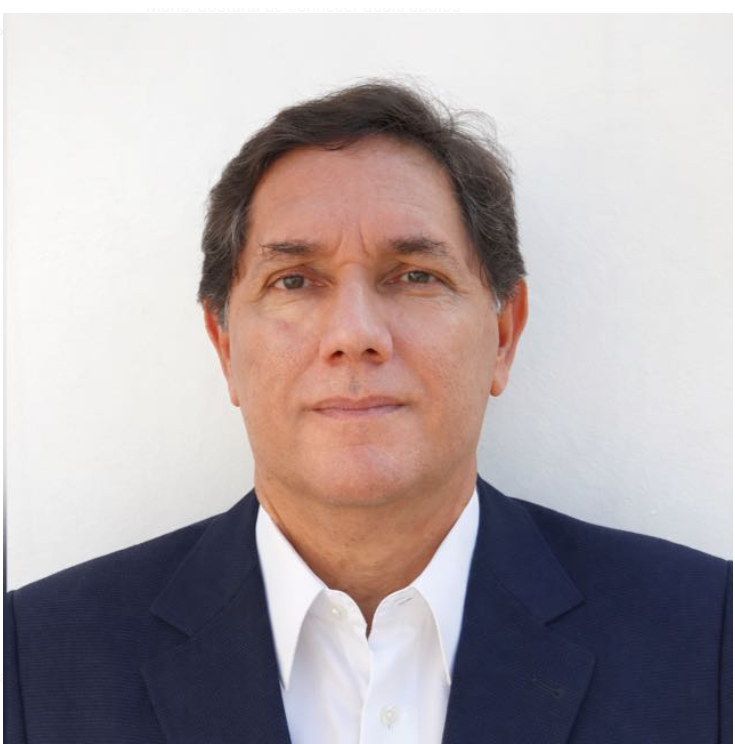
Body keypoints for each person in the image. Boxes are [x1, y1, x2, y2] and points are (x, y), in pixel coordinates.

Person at [4, 81, 731, 744]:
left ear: (504, 334)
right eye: (294, 281)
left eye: (415, 275)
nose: (354, 334)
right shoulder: (32, 662)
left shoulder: (707, 639)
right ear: (224, 344)